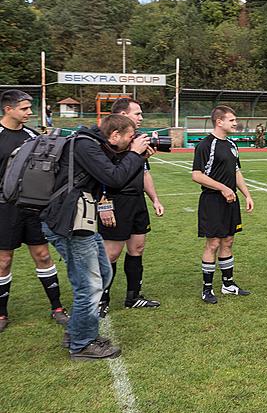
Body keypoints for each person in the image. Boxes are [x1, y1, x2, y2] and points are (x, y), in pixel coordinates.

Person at [42, 114, 150, 360]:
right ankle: (81, 343)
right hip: (69, 221)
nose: (133, 141)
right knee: (89, 285)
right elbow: (114, 178)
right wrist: (133, 154)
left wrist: (136, 155)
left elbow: (113, 180)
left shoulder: (93, 143)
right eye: (130, 137)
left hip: (79, 220)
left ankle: (77, 331)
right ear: (114, 136)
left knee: (102, 273)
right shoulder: (85, 144)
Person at [0, 90, 69, 333]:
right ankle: (1, 313)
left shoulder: (32, 136)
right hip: (4, 208)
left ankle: (57, 307)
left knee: (42, 255)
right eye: (25, 108)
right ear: (8, 109)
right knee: (4, 260)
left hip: (32, 208)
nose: (30, 113)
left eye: (30, 108)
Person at [97, 97, 163, 316]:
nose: (141, 117)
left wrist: (154, 199)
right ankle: (101, 298)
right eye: (137, 113)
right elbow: (99, 179)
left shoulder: (137, 142)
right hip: (116, 202)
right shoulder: (104, 143)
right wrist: (104, 205)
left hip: (137, 202)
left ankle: (133, 297)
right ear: (123, 115)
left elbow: (144, 173)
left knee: (137, 248)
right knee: (112, 253)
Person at [191, 106, 254, 304]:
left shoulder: (232, 145)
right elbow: (197, 175)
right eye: (232, 120)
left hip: (231, 200)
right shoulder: (205, 145)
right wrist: (222, 188)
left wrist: (247, 195)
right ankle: (207, 289)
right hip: (212, 201)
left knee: (228, 241)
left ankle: (228, 285)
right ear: (219, 121)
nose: (236, 123)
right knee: (213, 243)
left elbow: (236, 172)